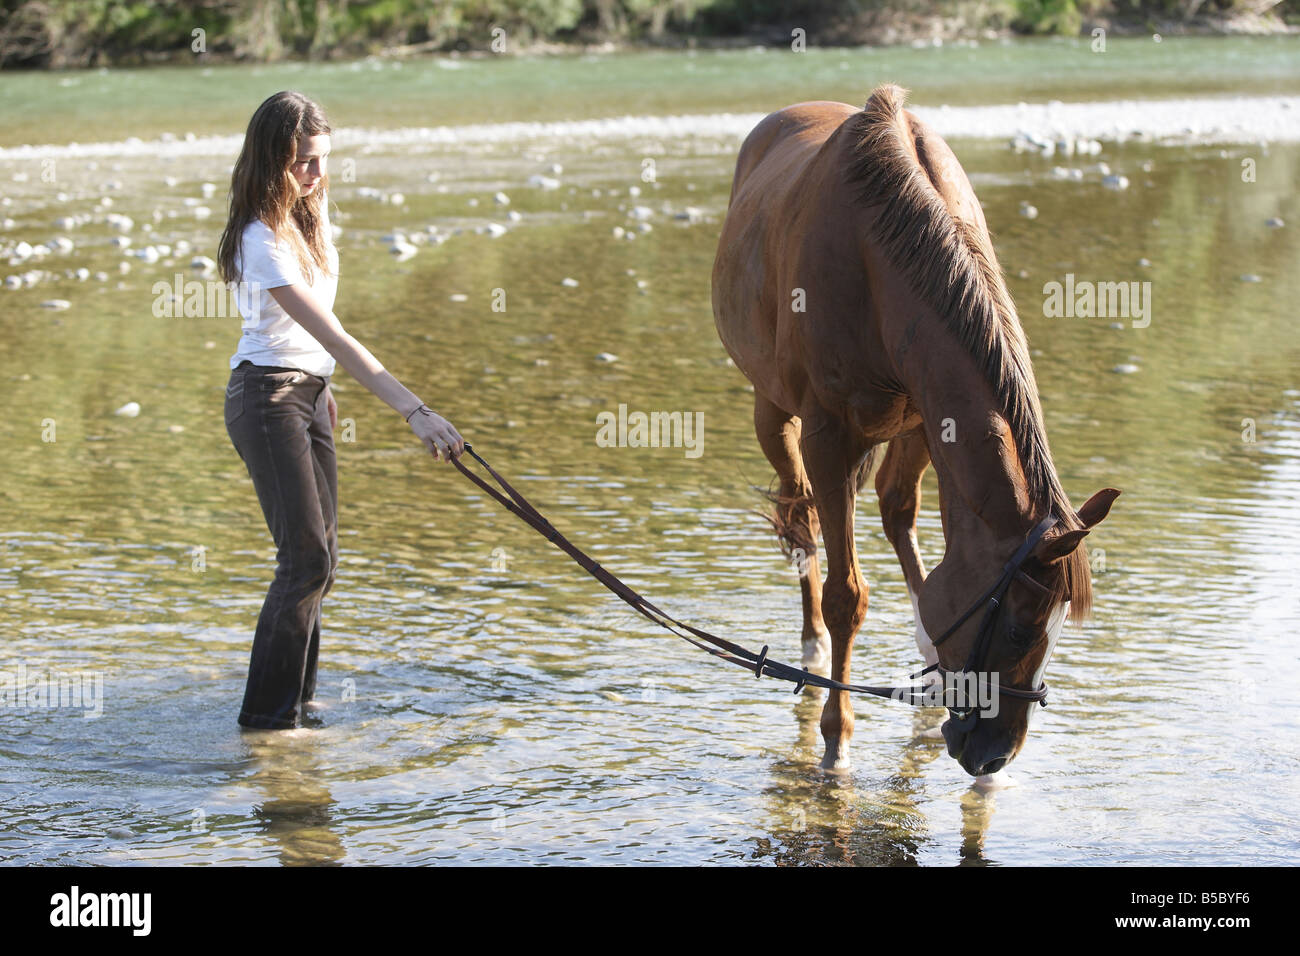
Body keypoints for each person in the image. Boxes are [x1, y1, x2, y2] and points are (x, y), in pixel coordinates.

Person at [217, 90, 464, 730]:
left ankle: (299, 702)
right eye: (303, 161)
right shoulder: (259, 237)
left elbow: (320, 349)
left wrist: (325, 394)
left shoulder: (309, 221)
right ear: (271, 161)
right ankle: (269, 722)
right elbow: (332, 335)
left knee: (322, 558)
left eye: (323, 159)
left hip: (308, 395)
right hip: (267, 399)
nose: (317, 175)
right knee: (304, 561)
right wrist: (416, 412)